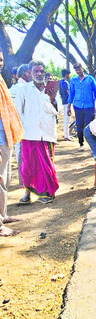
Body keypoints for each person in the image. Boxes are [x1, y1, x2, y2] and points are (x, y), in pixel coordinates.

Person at [15, 60, 60, 204]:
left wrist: (53, 100)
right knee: (28, 166)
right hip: (29, 134)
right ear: (30, 73)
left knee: (46, 165)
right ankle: (27, 194)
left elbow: (56, 112)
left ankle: (46, 194)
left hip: (47, 133)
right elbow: (18, 112)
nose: (40, 74)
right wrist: (21, 130)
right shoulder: (24, 89)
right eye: (36, 71)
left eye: (42, 71)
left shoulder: (51, 89)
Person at [0, 47, 24, 236]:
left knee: (5, 180)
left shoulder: (1, 81)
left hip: (6, 137)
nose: (1, 63)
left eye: (1, 60)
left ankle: (3, 215)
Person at [67, 63, 96, 148]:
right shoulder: (73, 80)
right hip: (77, 105)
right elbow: (71, 94)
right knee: (79, 125)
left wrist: (95, 106)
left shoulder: (90, 79)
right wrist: (69, 106)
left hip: (89, 105)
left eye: (79, 69)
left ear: (82, 68)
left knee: (89, 125)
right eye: (76, 70)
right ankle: (81, 143)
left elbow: (95, 92)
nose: (78, 71)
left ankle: (92, 145)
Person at [59, 69, 71, 140]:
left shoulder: (60, 82)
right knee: (67, 119)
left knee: (65, 119)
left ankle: (66, 134)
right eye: (68, 74)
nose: (68, 76)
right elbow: (68, 92)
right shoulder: (66, 83)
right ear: (66, 74)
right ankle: (66, 135)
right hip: (67, 102)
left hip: (63, 101)